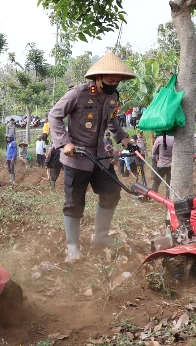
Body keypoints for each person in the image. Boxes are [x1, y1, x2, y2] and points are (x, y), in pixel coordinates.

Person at [49, 51, 134, 263]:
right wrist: (64, 142)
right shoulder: (78, 93)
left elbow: (112, 122)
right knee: (74, 202)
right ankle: (73, 248)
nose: (114, 83)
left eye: (118, 80)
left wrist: (123, 139)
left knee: (112, 192)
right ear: (99, 77)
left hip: (100, 156)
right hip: (76, 156)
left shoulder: (114, 97)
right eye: (110, 79)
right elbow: (54, 115)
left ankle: (101, 236)